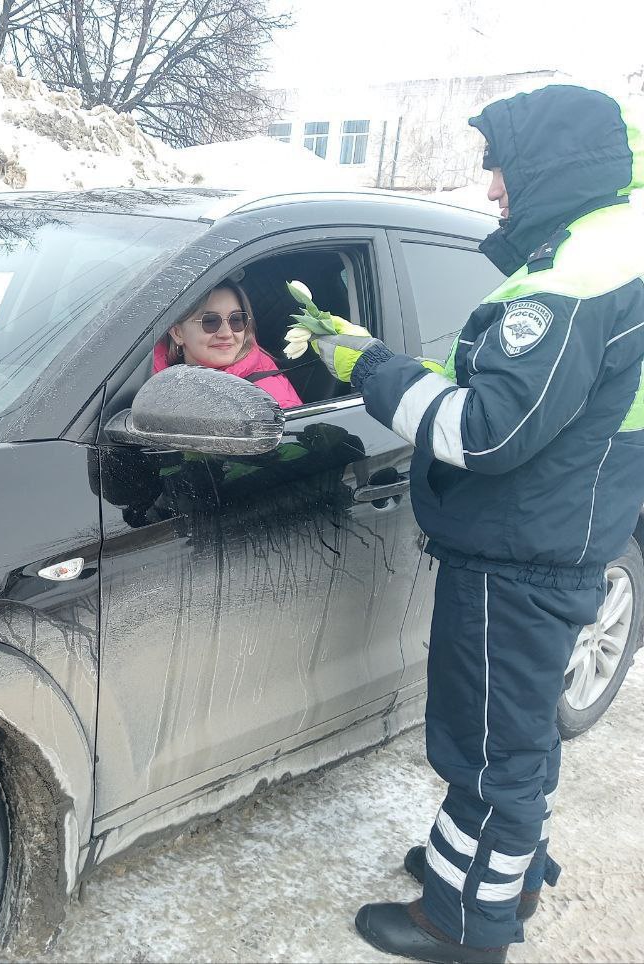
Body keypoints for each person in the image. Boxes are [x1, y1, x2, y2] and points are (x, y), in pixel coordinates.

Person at [305, 84, 644, 963]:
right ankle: (498, 872)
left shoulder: (576, 279)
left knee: (490, 755)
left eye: (500, 168)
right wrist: (378, 359)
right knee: (514, 739)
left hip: (519, 558)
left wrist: (370, 367)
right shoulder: (609, 250)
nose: (491, 189)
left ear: (549, 166)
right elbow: (505, 391)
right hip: (551, 539)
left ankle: (465, 924)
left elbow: (486, 431)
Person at [154, 281, 303, 409]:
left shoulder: (269, 403)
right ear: (177, 333)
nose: (226, 333)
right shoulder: (148, 373)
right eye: (210, 321)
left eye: (236, 320)